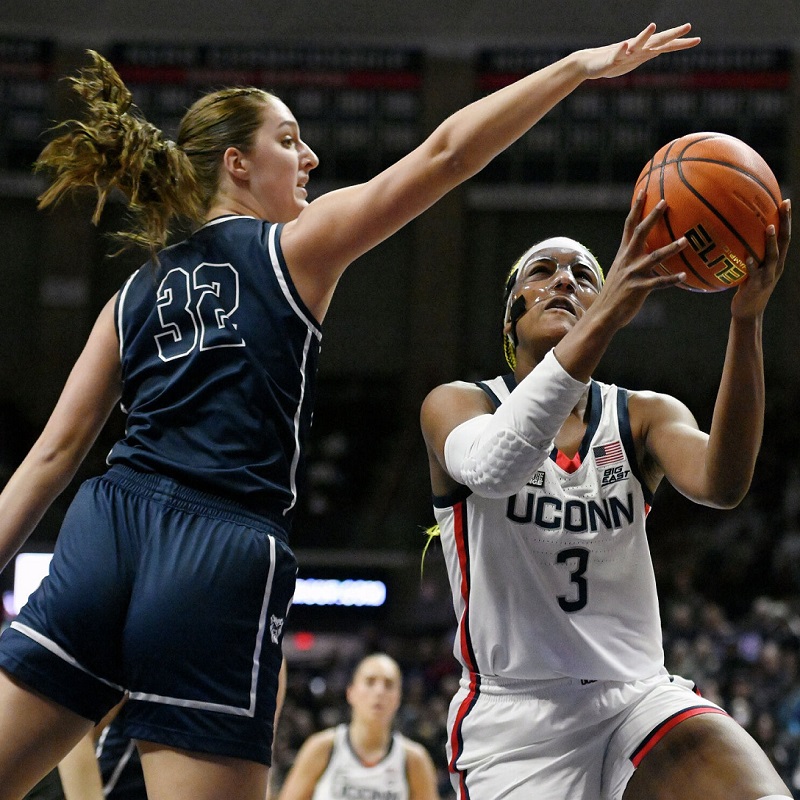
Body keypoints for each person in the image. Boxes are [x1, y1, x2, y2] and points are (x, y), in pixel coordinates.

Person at [0, 23, 701, 800]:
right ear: (236, 164)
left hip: (105, 530)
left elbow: (50, 460)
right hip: (218, 546)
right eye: (290, 140)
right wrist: (575, 67)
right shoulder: (292, 248)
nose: (311, 159)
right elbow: (446, 156)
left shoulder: (130, 297)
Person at [420, 190, 792, 799]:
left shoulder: (641, 415)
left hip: (637, 697)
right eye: (543, 272)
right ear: (511, 316)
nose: (565, 280)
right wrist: (607, 309)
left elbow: (723, 485)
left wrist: (745, 320)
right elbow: (492, 468)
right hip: (518, 723)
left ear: (607, 302)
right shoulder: (460, 403)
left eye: (584, 275)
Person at [277, 653, 440, 800]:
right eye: (370, 682)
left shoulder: (414, 759)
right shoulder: (322, 747)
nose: (379, 691)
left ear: (398, 698)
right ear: (351, 692)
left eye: (389, 684)